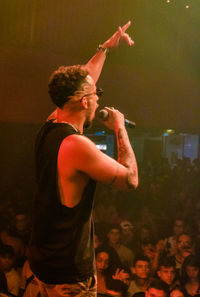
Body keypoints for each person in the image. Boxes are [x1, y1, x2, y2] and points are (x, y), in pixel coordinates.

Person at [28, 21, 138, 297]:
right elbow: (130, 179)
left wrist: (105, 49)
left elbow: (84, 79)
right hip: (67, 273)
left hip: (43, 257)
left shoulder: (50, 124)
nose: (99, 101)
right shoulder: (77, 145)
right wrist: (120, 126)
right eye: (96, 96)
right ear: (84, 101)